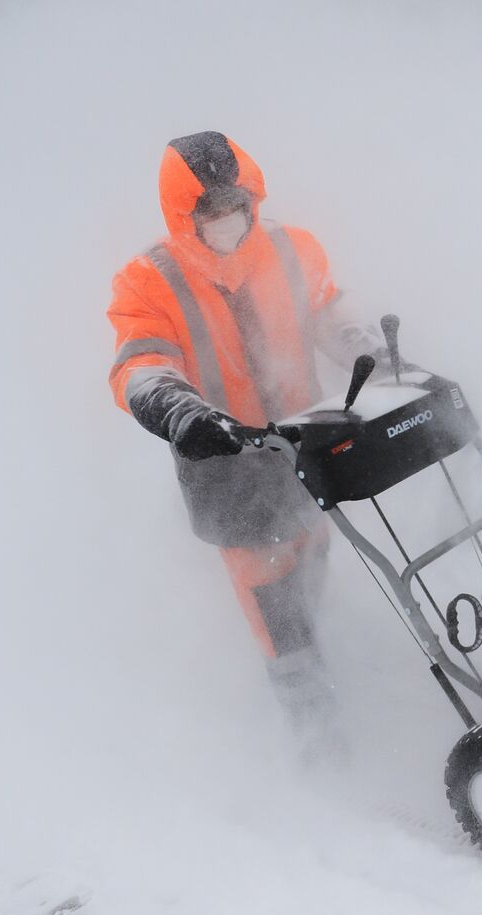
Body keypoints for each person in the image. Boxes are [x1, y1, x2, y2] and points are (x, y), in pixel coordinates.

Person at [106, 131, 389, 753]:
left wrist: (363, 344)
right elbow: (139, 364)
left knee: (312, 563)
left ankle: (327, 667)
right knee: (271, 598)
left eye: (237, 205)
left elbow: (328, 311)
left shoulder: (292, 249)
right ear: (184, 217)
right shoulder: (148, 282)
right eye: (209, 212)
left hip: (303, 448)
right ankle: (314, 731)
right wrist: (180, 412)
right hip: (223, 460)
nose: (227, 221)